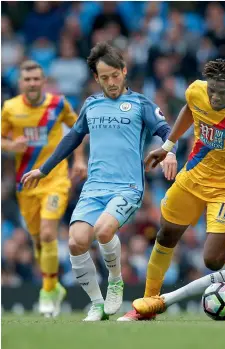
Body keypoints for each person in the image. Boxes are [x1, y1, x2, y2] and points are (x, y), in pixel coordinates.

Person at [118, 58, 225, 321]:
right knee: (166, 235)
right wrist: (168, 146)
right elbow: (190, 109)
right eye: (211, 90)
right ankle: (148, 303)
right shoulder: (196, 91)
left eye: (221, 92)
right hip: (193, 178)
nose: (214, 97)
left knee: (212, 261)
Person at [21, 42, 178, 321]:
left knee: (104, 231)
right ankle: (96, 303)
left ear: (124, 71)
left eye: (115, 75)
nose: (111, 82)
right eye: (104, 77)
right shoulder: (91, 104)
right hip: (94, 188)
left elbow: (166, 129)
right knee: (75, 242)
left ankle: (115, 280)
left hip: (127, 187)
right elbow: (72, 138)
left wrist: (169, 152)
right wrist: (43, 170)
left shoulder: (140, 104)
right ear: (96, 78)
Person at [1, 60, 88, 317]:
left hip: (55, 180)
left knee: (49, 234)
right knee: (38, 239)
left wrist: (80, 159)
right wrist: (10, 146)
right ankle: (53, 286)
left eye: (36, 79)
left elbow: (78, 128)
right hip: (26, 183)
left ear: (43, 80)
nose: (31, 83)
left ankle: (48, 290)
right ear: (20, 83)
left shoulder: (58, 104)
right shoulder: (10, 108)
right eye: (27, 79)